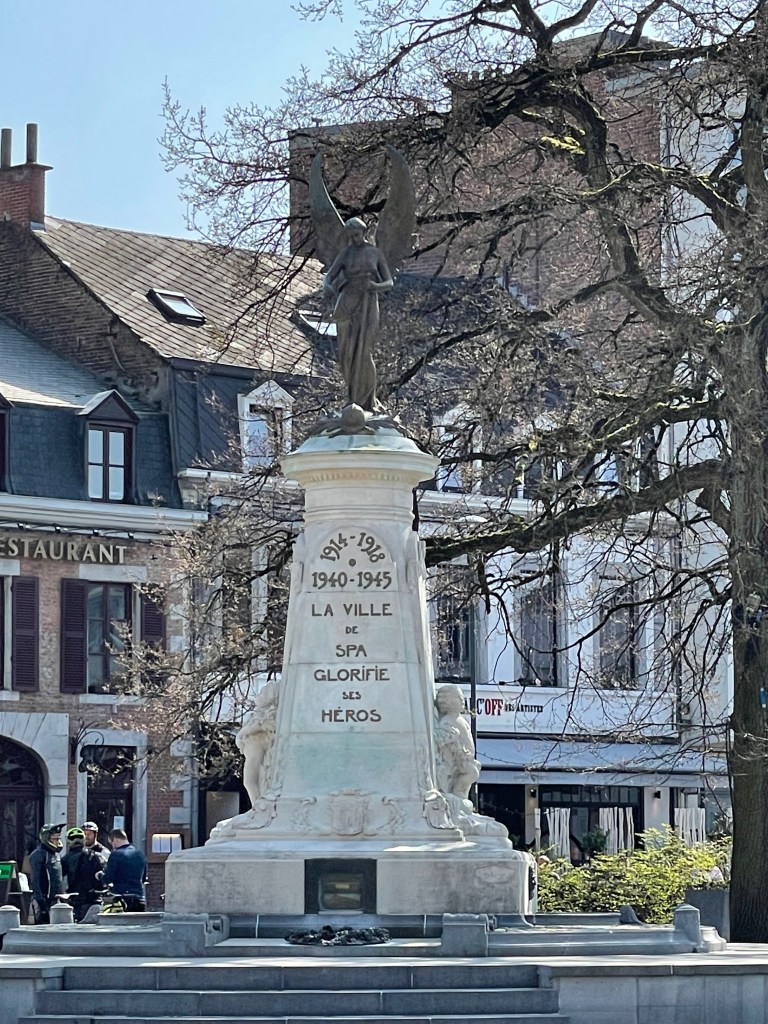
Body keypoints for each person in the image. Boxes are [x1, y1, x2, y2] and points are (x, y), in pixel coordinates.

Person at [323, 217, 394, 412]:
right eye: (350, 236)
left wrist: (375, 286)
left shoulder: (375, 253)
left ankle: (367, 400)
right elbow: (330, 275)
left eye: (356, 235)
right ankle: (351, 397)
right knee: (347, 352)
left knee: (365, 352)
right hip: (347, 301)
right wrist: (327, 286)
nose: (353, 239)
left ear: (363, 232)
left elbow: (389, 282)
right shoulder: (346, 253)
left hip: (368, 301)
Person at [61, 827, 104, 922]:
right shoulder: (97, 856)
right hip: (95, 900)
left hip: (76, 901)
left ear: (68, 842)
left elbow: (59, 879)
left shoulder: (65, 859)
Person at [101, 828, 147, 912]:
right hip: (140, 898)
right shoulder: (140, 854)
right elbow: (144, 878)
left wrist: (100, 876)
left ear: (115, 839)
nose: (113, 846)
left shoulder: (115, 854)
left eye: (112, 843)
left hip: (122, 899)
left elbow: (108, 878)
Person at [28, 823, 64, 924]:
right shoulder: (38, 854)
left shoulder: (56, 854)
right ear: (46, 838)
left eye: (58, 838)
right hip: (43, 901)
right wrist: (41, 902)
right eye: (54, 839)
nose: (57, 842)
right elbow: (35, 880)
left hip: (55, 899)